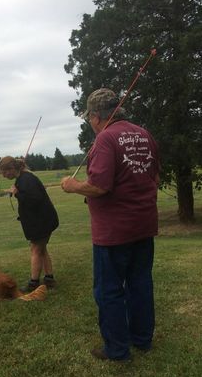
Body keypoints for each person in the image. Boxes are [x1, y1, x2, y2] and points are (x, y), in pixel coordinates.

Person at [61, 88, 160, 362]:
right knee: (140, 282)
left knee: (108, 290)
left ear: (95, 116)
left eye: (89, 118)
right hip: (144, 225)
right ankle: (142, 340)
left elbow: (99, 186)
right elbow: (155, 177)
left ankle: (117, 349)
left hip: (113, 232)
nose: (90, 124)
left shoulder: (105, 139)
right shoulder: (144, 134)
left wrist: (72, 186)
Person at [0, 156, 59, 291]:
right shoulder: (23, 178)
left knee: (36, 249)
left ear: (12, 169)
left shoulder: (27, 179)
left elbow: (34, 201)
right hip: (42, 220)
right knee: (41, 249)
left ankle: (33, 283)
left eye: (4, 173)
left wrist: (17, 193)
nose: (3, 176)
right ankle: (49, 279)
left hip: (42, 221)